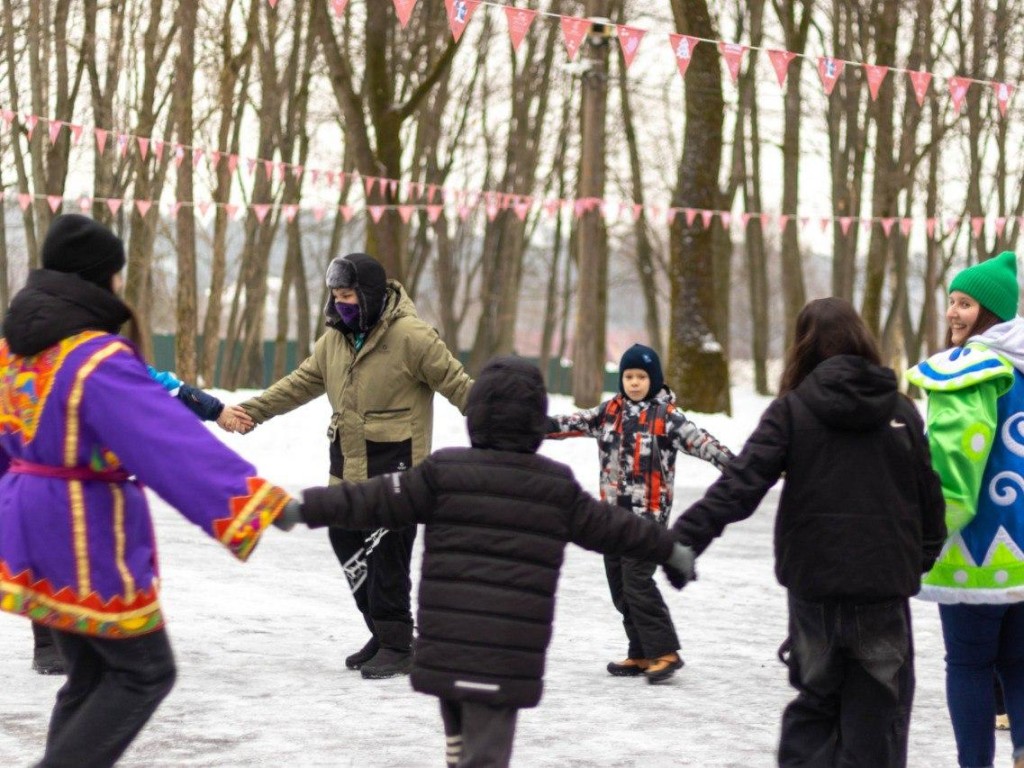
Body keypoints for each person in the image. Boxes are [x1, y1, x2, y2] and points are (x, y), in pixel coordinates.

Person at [272, 356, 697, 768]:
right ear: (535, 423)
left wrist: (301, 509)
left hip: (448, 646)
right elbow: (618, 528)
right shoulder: (554, 487)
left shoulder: (443, 473)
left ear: (475, 417)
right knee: (487, 751)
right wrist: (671, 550)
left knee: (460, 720)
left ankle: (461, 750)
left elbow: (369, 498)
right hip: (508, 657)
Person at [0, 213, 292, 768]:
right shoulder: (95, 358)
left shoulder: (13, 354)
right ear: (101, 280)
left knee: (89, 676)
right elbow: (166, 441)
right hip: (79, 533)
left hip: (28, 523)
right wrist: (251, 502)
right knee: (143, 672)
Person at [670, 297, 946, 767]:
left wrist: (685, 538)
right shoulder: (899, 410)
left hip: (815, 588)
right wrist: (917, 556)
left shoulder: (793, 410)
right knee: (878, 715)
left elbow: (743, 481)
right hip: (882, 589)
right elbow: (929, 496)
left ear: (803, 347)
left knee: (816, 703)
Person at [238, 252, 473, 679]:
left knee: (387, 555)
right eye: (336, 295)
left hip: (397, 467)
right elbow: (301, 382)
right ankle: (383, 631)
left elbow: (458, 384)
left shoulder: (412, 337)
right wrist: (253, 411)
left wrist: (503, 423)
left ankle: (398, 643)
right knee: (346, 541)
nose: (340, 303)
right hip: (347, 463)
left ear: (369, 294)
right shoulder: (336, 339)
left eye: (348, 295)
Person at [28, 366, 253, 677]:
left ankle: (91, 636)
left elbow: (162, 386)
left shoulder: (97, 352)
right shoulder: (15, 361)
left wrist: (217, 411)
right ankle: (49, 645)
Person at [544, 343, 733, 683]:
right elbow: (572, 422)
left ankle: (665, 651)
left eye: (641, 377)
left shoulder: (668, 418)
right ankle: (641, 651)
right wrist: (533, 424)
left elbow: (704, 443)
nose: (633, 383)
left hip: (647, 519)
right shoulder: (608, 413)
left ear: (654, 379)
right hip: (611, 518)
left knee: (637, 583)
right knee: (619, 585)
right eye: (628, 376)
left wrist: (741, 467)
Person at [905, 250, 1024, 768]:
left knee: (971, 666)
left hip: (976, 551)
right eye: (951, 301)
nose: (953, 312)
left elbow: (955, 467)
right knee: (1019, 664)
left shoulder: (970, 371)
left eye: (966, 303)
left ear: (992, 313)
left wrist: (923, 536)